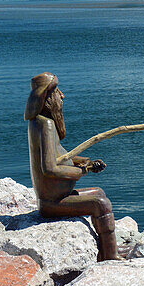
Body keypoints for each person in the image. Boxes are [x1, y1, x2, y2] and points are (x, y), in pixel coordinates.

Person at [24, 72, 119, 260]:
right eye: (56, 91)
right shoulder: (46, 126)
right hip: (52, 203)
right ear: (46, 97)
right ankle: (110, 256)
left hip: (56, 197)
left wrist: (86, 163)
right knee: (101, 204)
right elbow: (50, 168)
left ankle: (107, 248)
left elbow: (60, 156)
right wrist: (81, 171)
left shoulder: (42, 123)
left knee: (98, 192)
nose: (62, 95)